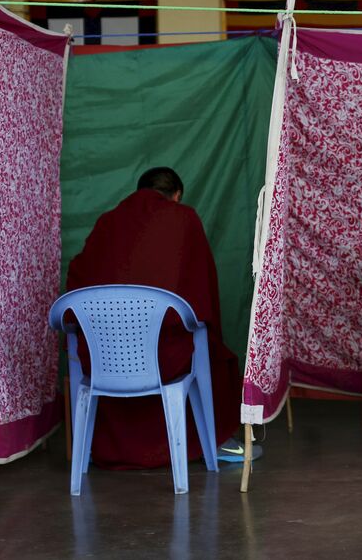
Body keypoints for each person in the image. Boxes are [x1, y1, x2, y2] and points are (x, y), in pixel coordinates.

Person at [66, 167, 253, 468]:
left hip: (103, 358)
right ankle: (212, 444)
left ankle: (97, 452)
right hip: (163, 358)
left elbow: (76, 284)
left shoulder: (107, 222)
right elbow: (201, 296)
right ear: (176, 196)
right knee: (210, 349)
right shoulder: (184, 218)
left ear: (139, 190)